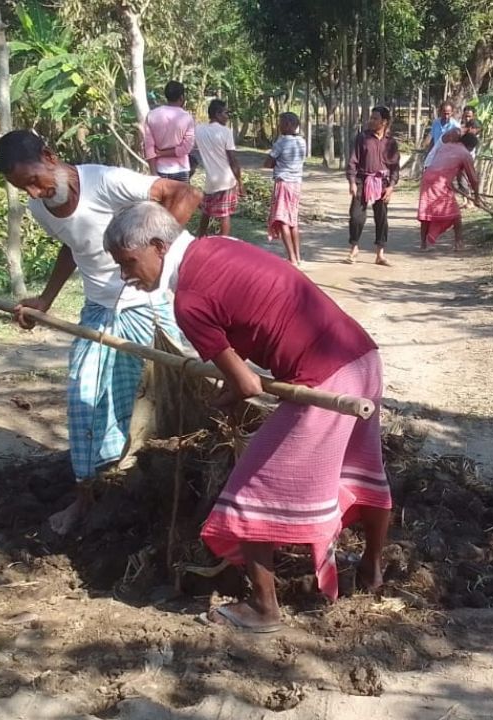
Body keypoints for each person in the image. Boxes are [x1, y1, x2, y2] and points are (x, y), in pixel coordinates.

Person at [104, 202, 392, 634]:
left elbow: (248, 386)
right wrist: (233, 386)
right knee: (363, 469)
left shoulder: (189, 302)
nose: (127, 274)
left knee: (246, 493)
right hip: (362, 358)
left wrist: (220, 403)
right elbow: (244, 357)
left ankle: (264, 608)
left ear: (159, 247)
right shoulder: (217, 245)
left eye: (129, 262)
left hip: (326, 384)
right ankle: (372, 570)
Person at [0, 130, 201, 535]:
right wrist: (45, 300)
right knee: (85, 396)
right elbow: (72, 245)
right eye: (24, 189)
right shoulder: (42, 209)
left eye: (35, 180)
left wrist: (152, 255)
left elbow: (184, 194)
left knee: (167, 399)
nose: (34, 193)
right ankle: (87, 497)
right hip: (100, 313)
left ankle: (170, 494)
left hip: (151, 308)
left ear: (50, 155)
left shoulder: (105, 182)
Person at [346, 106, 400, 266]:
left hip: (383, 182)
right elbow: (353, 161)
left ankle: (380, 254)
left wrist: (391, 186)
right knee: (356, 216)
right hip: (362, 180)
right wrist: (352, 182)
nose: (371, 121)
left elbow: (395, 166)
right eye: (371, 117)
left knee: (381, 217)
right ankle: (354, 248)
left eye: (375, 118)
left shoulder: (391, 142)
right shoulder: (362, 138)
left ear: (384, 122)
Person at [418, 129, 481, 252]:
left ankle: (423, 244)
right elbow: (473, 179)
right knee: (456, 215)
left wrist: (449, 182)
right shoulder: (465, 154)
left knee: (427, 212)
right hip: (439, 183)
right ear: (470, 147)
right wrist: (477, 198)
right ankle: (459, 243)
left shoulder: (446, 146)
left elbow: (442, 165)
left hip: (427, 178)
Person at [195, 98, 243, 237]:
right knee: (225, 214)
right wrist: (240, 182)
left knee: (206, 211)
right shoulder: (226, 132)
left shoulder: (199, 129)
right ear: (217, 114)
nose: (227, 117)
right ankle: (224, 243)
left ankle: (200, 238)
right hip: (226, 179)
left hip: (211, 180)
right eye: (225, 113)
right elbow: (232, 160)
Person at [264, 112, 306, 266]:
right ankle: (298, 256)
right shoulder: (302, 141)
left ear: (288, 125)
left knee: (282, 220)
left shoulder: (281, 142)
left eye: (281, 123)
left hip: (283, 183)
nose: (278, 126)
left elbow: (267, 163)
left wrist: (277, 162)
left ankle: (291, 258)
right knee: (293, 221)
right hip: (296, 184)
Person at [143, 80, 195, 182]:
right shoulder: (187, 117)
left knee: (161, 199)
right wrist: (161, 153)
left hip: (160, 170)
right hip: (181, 170)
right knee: (182, 198)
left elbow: (148, 147)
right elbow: (186, 149)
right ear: (181, 97)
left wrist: (153, 173)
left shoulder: (152, 115)